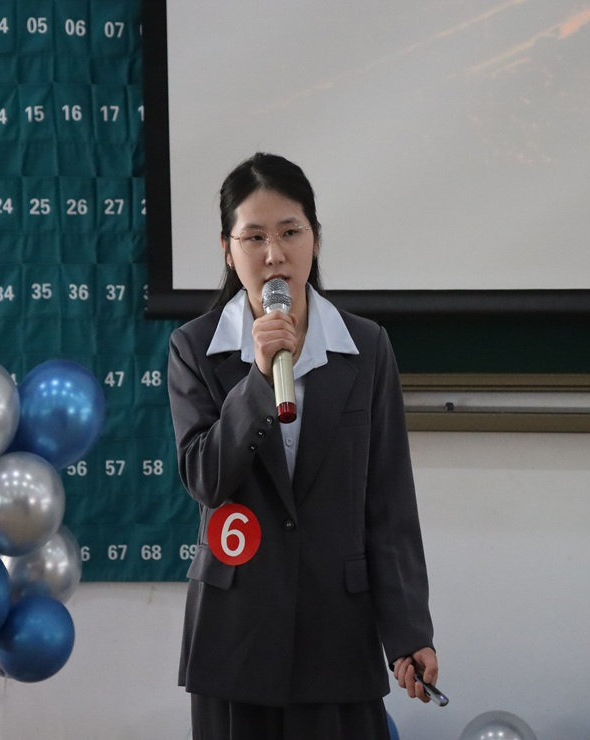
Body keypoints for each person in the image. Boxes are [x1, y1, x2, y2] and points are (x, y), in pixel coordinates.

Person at [167, 152, 438, 739]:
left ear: (315, 238)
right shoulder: (195, 348)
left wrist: (409, 630)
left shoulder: (366, 347)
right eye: (254, 237)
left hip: (338, 635)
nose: (274, 254)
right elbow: (206, 478)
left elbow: (389, 503)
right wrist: (259, 381)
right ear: (227, 249)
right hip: (235, 637)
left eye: (290, 232)